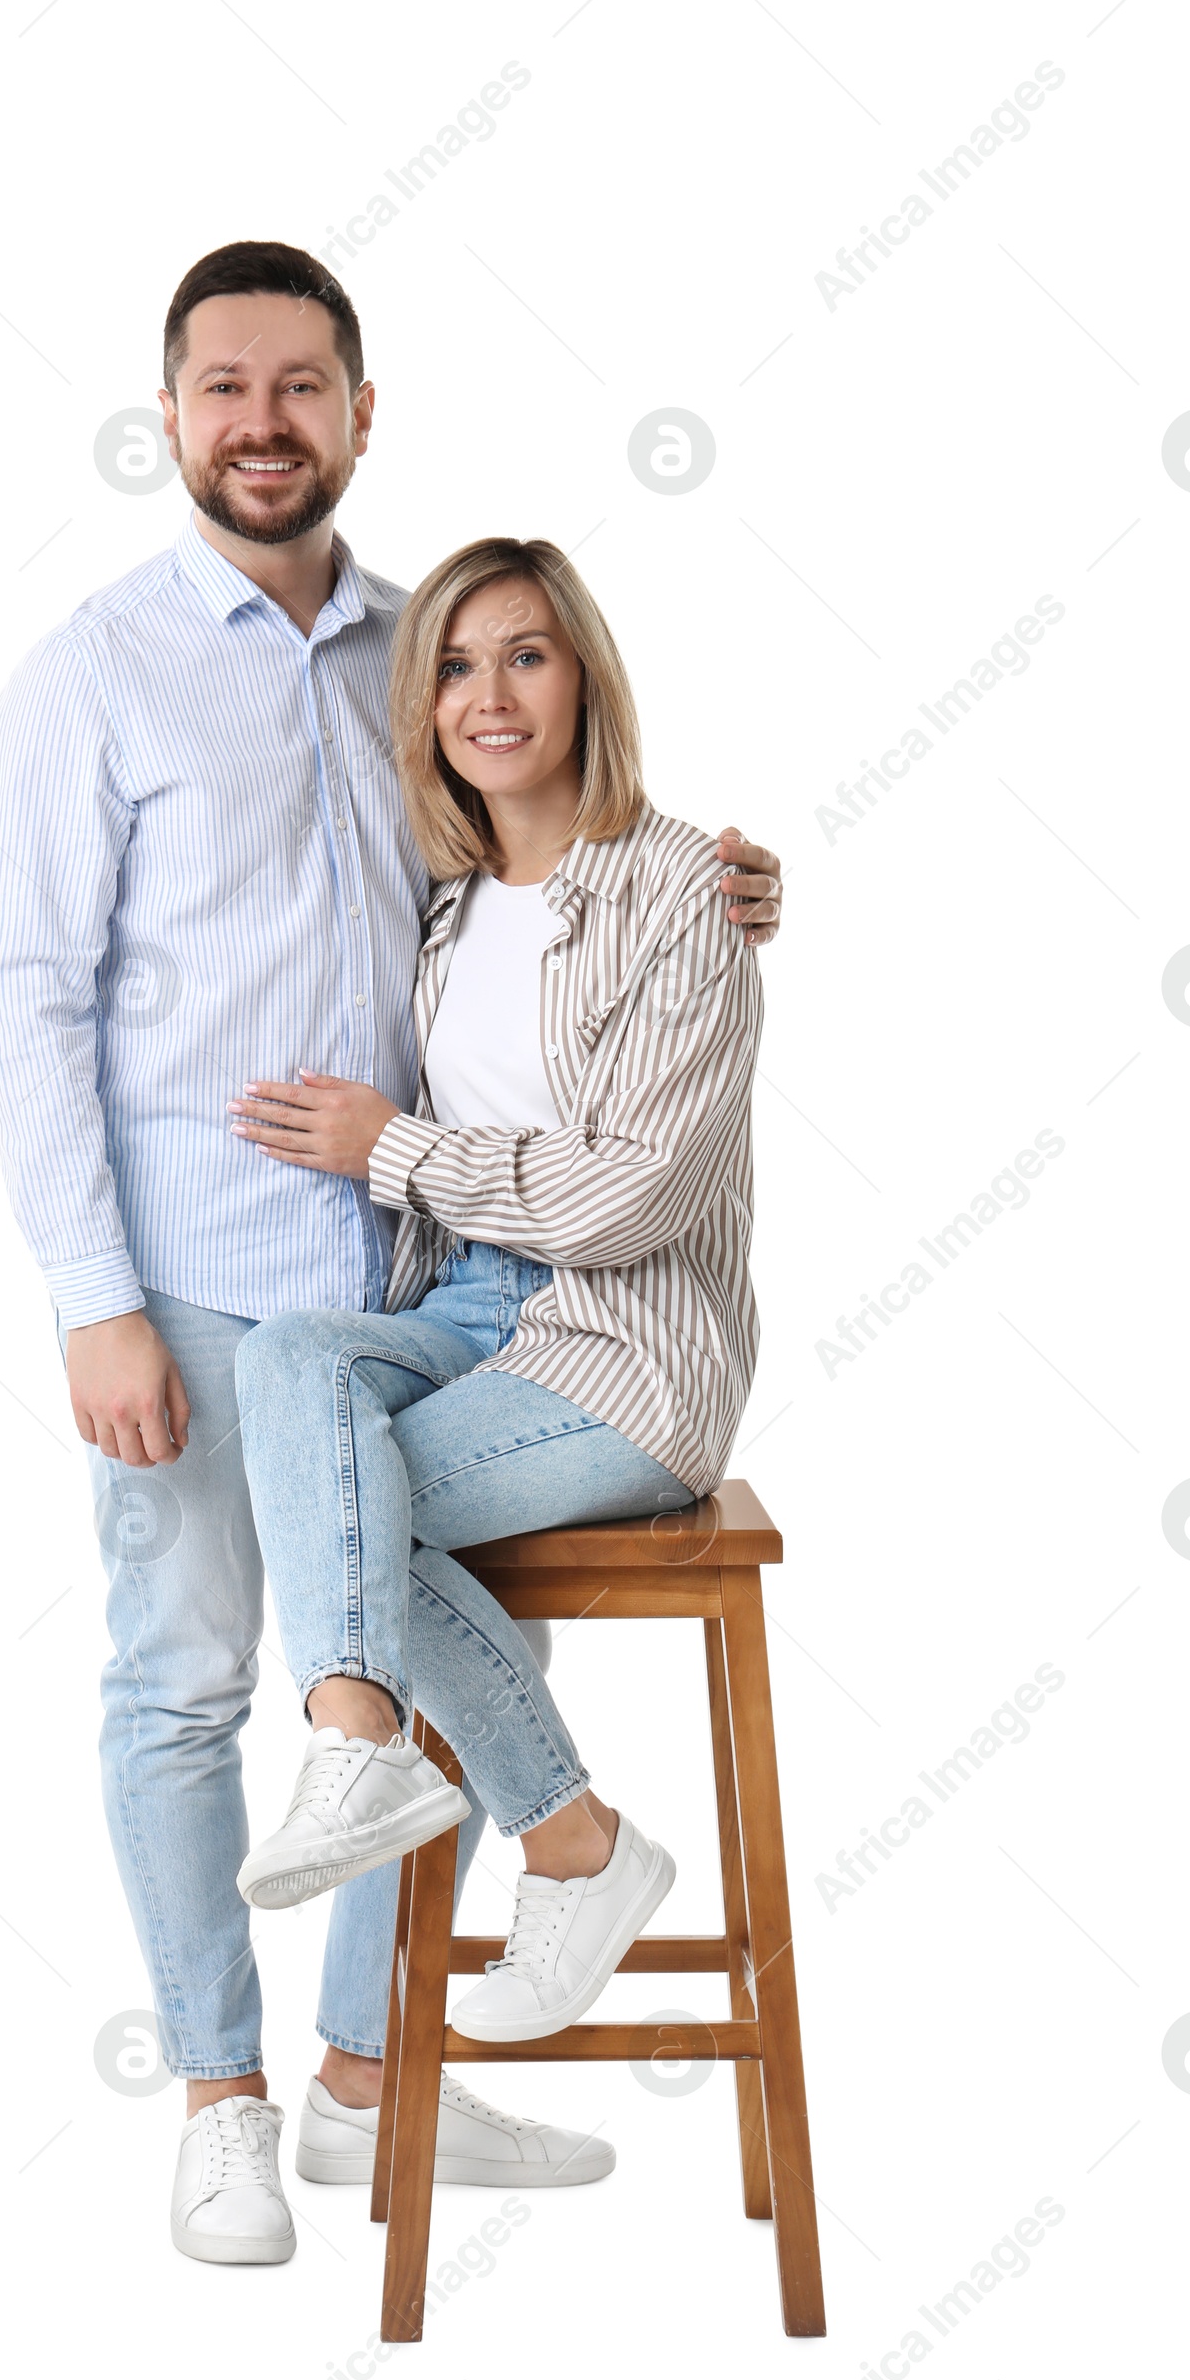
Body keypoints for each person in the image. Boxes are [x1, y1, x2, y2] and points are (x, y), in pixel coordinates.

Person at [0, 240, 786, 2269]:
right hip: (185, 1274)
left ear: (358, 406)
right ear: (168, 416)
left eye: (299, 385)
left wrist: (711, 874)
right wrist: (90, 1294)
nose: (261, 420)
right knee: (178, 1686)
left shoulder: (422, 640)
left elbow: (554, 834)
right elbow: (25, 1000)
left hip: (418, 1278)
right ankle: (226, 2103)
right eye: (221, 386)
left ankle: (365, 2085)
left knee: (374, 1667)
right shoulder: (90, 673)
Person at [231, 536, 757, 2043]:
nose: (490, 694)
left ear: (585, 672)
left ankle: (525, 1820)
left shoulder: (686, 893)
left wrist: (389, 1146)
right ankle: (469, 1787)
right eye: (456, 666)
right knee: (292, 1368)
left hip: (627, 1346)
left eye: (526, 654)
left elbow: (628, 1192)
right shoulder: (450, 909)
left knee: (342, 1504)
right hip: (468, 1304)